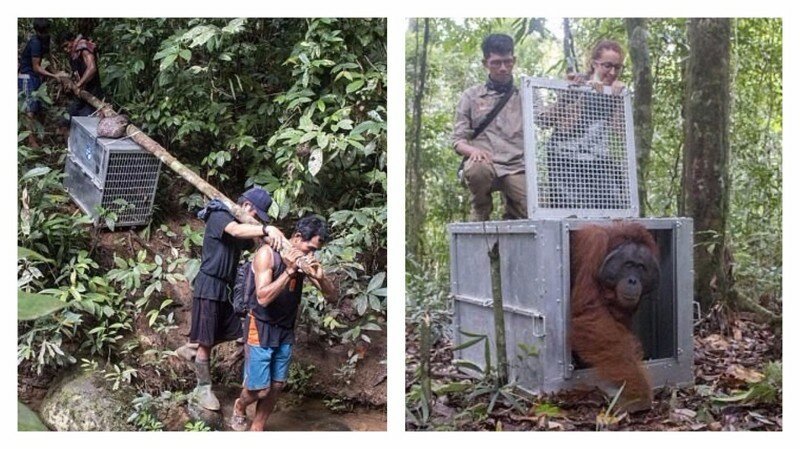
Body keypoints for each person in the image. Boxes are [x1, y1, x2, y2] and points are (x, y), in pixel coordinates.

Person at [177, 187, 286, 411]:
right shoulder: (220, 215)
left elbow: (251, 239)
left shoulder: (241, 226)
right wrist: (265, 229)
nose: (255, 220)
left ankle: (193, 347)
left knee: (235, 330)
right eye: (256, 215)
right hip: (209, 284)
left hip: (225, 288)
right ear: (247, 207)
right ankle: (203, 388)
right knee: (207, 342)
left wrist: (272, 238)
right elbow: (236, 231)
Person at [230, 215, 337, 431]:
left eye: (315, 250)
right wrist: (289, 270)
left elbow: (333, 297)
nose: (311, 254)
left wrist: (322, 277)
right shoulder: (267, 255)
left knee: (277, 386)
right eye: (309, 248)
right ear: (297, 238)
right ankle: (240, 406)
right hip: (260, 326)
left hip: (285, 329)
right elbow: (263, 297)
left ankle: (257, 428)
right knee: (260, 390)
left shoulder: (304, 261)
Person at [538, 39, 628, 209]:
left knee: (613, 207)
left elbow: (620, 132)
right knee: (572, 213)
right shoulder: (577, 84)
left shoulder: (615, 92)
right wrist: (582, 92)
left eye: (618, 67)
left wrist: (620, 98)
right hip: (566, 160)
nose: (612, 72)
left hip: (598, 162)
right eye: (607, 66)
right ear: (595, 64)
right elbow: (546, 121)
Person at [452, 33, 526, 222]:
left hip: (516, 166)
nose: (503, 68)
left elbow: (548, 119)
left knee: (531, 212)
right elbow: (458, 141)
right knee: (477, 169)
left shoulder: (525, 94)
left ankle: (512, 213)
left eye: (508, 62)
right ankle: (480, 206)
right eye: (496, 63)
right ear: (485, 63)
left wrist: (571, 92)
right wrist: (473, 151)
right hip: (486, 163)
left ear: (514, 60)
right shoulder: (471, 96)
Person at [18, 19, 59, 147]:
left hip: (36, 77)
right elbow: (36, 67)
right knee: (29, 109)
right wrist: (53, 75)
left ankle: (38, 136)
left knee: (36, 107)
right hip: (27, 76)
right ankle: (30, 140)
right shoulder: (35, 42)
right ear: (37, 31)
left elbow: (47, 58)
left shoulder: (45, 40)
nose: (45, 33)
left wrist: (57, 73)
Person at [58, 32, 104, 120]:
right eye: (63, 48)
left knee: (84, 119)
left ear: (72, 40)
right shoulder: (73, 55)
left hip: (93, 93)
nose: (66, 49)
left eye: (66, 45)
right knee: (66, 118)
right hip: (82, 94)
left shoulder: (84, 49)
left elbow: (92, 68)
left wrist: (78, 85)